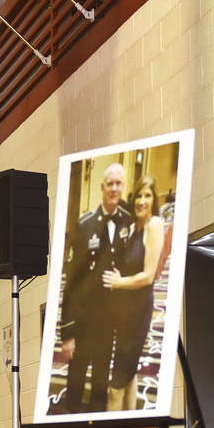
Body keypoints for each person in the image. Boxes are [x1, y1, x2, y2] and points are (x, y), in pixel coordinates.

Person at [59, 162, 132, 412]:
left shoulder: (128, 223)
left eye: (118, 183)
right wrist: (67, 333)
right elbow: (72, 280)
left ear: (124, 186)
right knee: (76, 380)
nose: (114, 188)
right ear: (102, 187)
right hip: (84, 318)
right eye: (109, 183)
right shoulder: (85, 224)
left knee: (101, 380)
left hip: (110, 320)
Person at [101, 175, 166, 410]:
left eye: (147, 196)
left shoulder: (154, 225)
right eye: (138, 195)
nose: (142, 201)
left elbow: (148, 275)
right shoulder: (133, 227)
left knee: (116, 385)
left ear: (154, 199)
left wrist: (118, 283)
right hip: (123, 312)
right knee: (129, 378)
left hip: (137, 313)